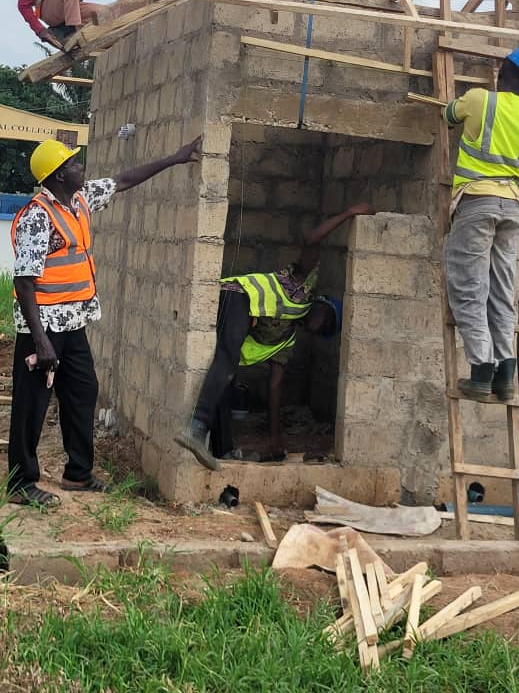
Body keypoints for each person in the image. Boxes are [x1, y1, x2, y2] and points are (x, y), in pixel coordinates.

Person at [8, 136, 202, 505]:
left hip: (73, 323)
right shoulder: (38, 216)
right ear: (58, 175)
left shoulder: (79, 199)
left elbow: (123, 180)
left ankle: (78, 474)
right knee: (31, 405)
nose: (81, 167)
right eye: (73, 164)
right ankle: (20, 485)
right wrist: (41, 340)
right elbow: (24, 282)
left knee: (83, 392)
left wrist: (174, 158)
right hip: (43, 328)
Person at [175, 202, 373, 471]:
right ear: (321, 303)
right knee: (227, 361)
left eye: (326, 330)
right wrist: (348, 213)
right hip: (237, 295)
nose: (321, 326)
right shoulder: (304, 285)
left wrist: (275, 437)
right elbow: (311, 239)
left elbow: (275, 387)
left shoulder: (286, 340)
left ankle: (222, 450)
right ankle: (196, 427)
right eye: (327, 319)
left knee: (227, 378)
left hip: (239, 311)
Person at [443, 47, 519, 401]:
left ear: (503, 70)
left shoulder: (479, 100)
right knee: (502, 292)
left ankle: (481, 371)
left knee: (470, 289)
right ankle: (506, 374)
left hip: (476, 204)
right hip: (511, 208)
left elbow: (449, 114)